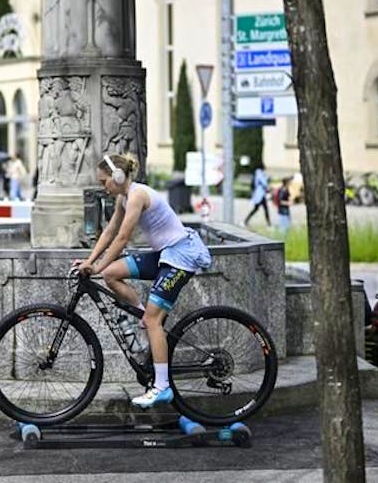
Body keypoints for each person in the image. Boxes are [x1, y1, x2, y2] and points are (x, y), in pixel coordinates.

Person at [73, 153, 212, 409]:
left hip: (181, 255)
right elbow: (110, 232)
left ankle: (161, 386)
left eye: (105, 182)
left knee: (153, 320)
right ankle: (142, 317)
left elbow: (123, 238)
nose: (103, 187)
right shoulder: (123, 198)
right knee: (110, 274)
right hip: (165, 254)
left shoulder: (137, 195)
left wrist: (94, 266)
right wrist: (89, 261)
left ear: (118, 176)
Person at [243, 161, 271, 228]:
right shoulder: (259, 173)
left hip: (260, 195)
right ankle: (269, 224)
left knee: (258, 209)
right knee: (264, 209)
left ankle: (246, 221)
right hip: (260, 195)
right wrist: (268, 184)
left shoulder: (257, 173)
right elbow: (263, 182)